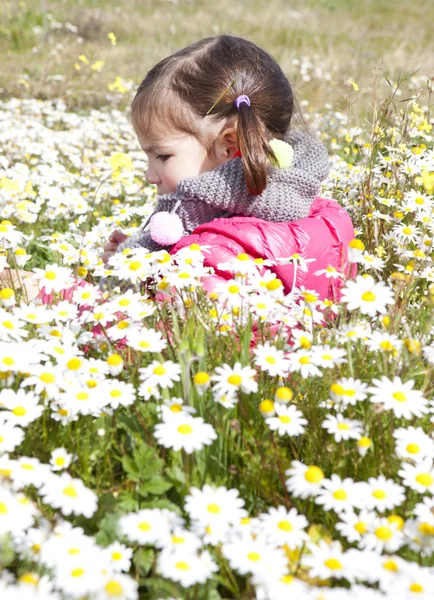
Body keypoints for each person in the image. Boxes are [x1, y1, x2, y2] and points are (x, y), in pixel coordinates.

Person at [102, 35, 355, 299]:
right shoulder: (319, 212)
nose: (149, 176)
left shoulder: (215, 254)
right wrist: (142, 257)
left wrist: (131, 280)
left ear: (229, 145)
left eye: (163, 156)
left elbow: (180, 325)